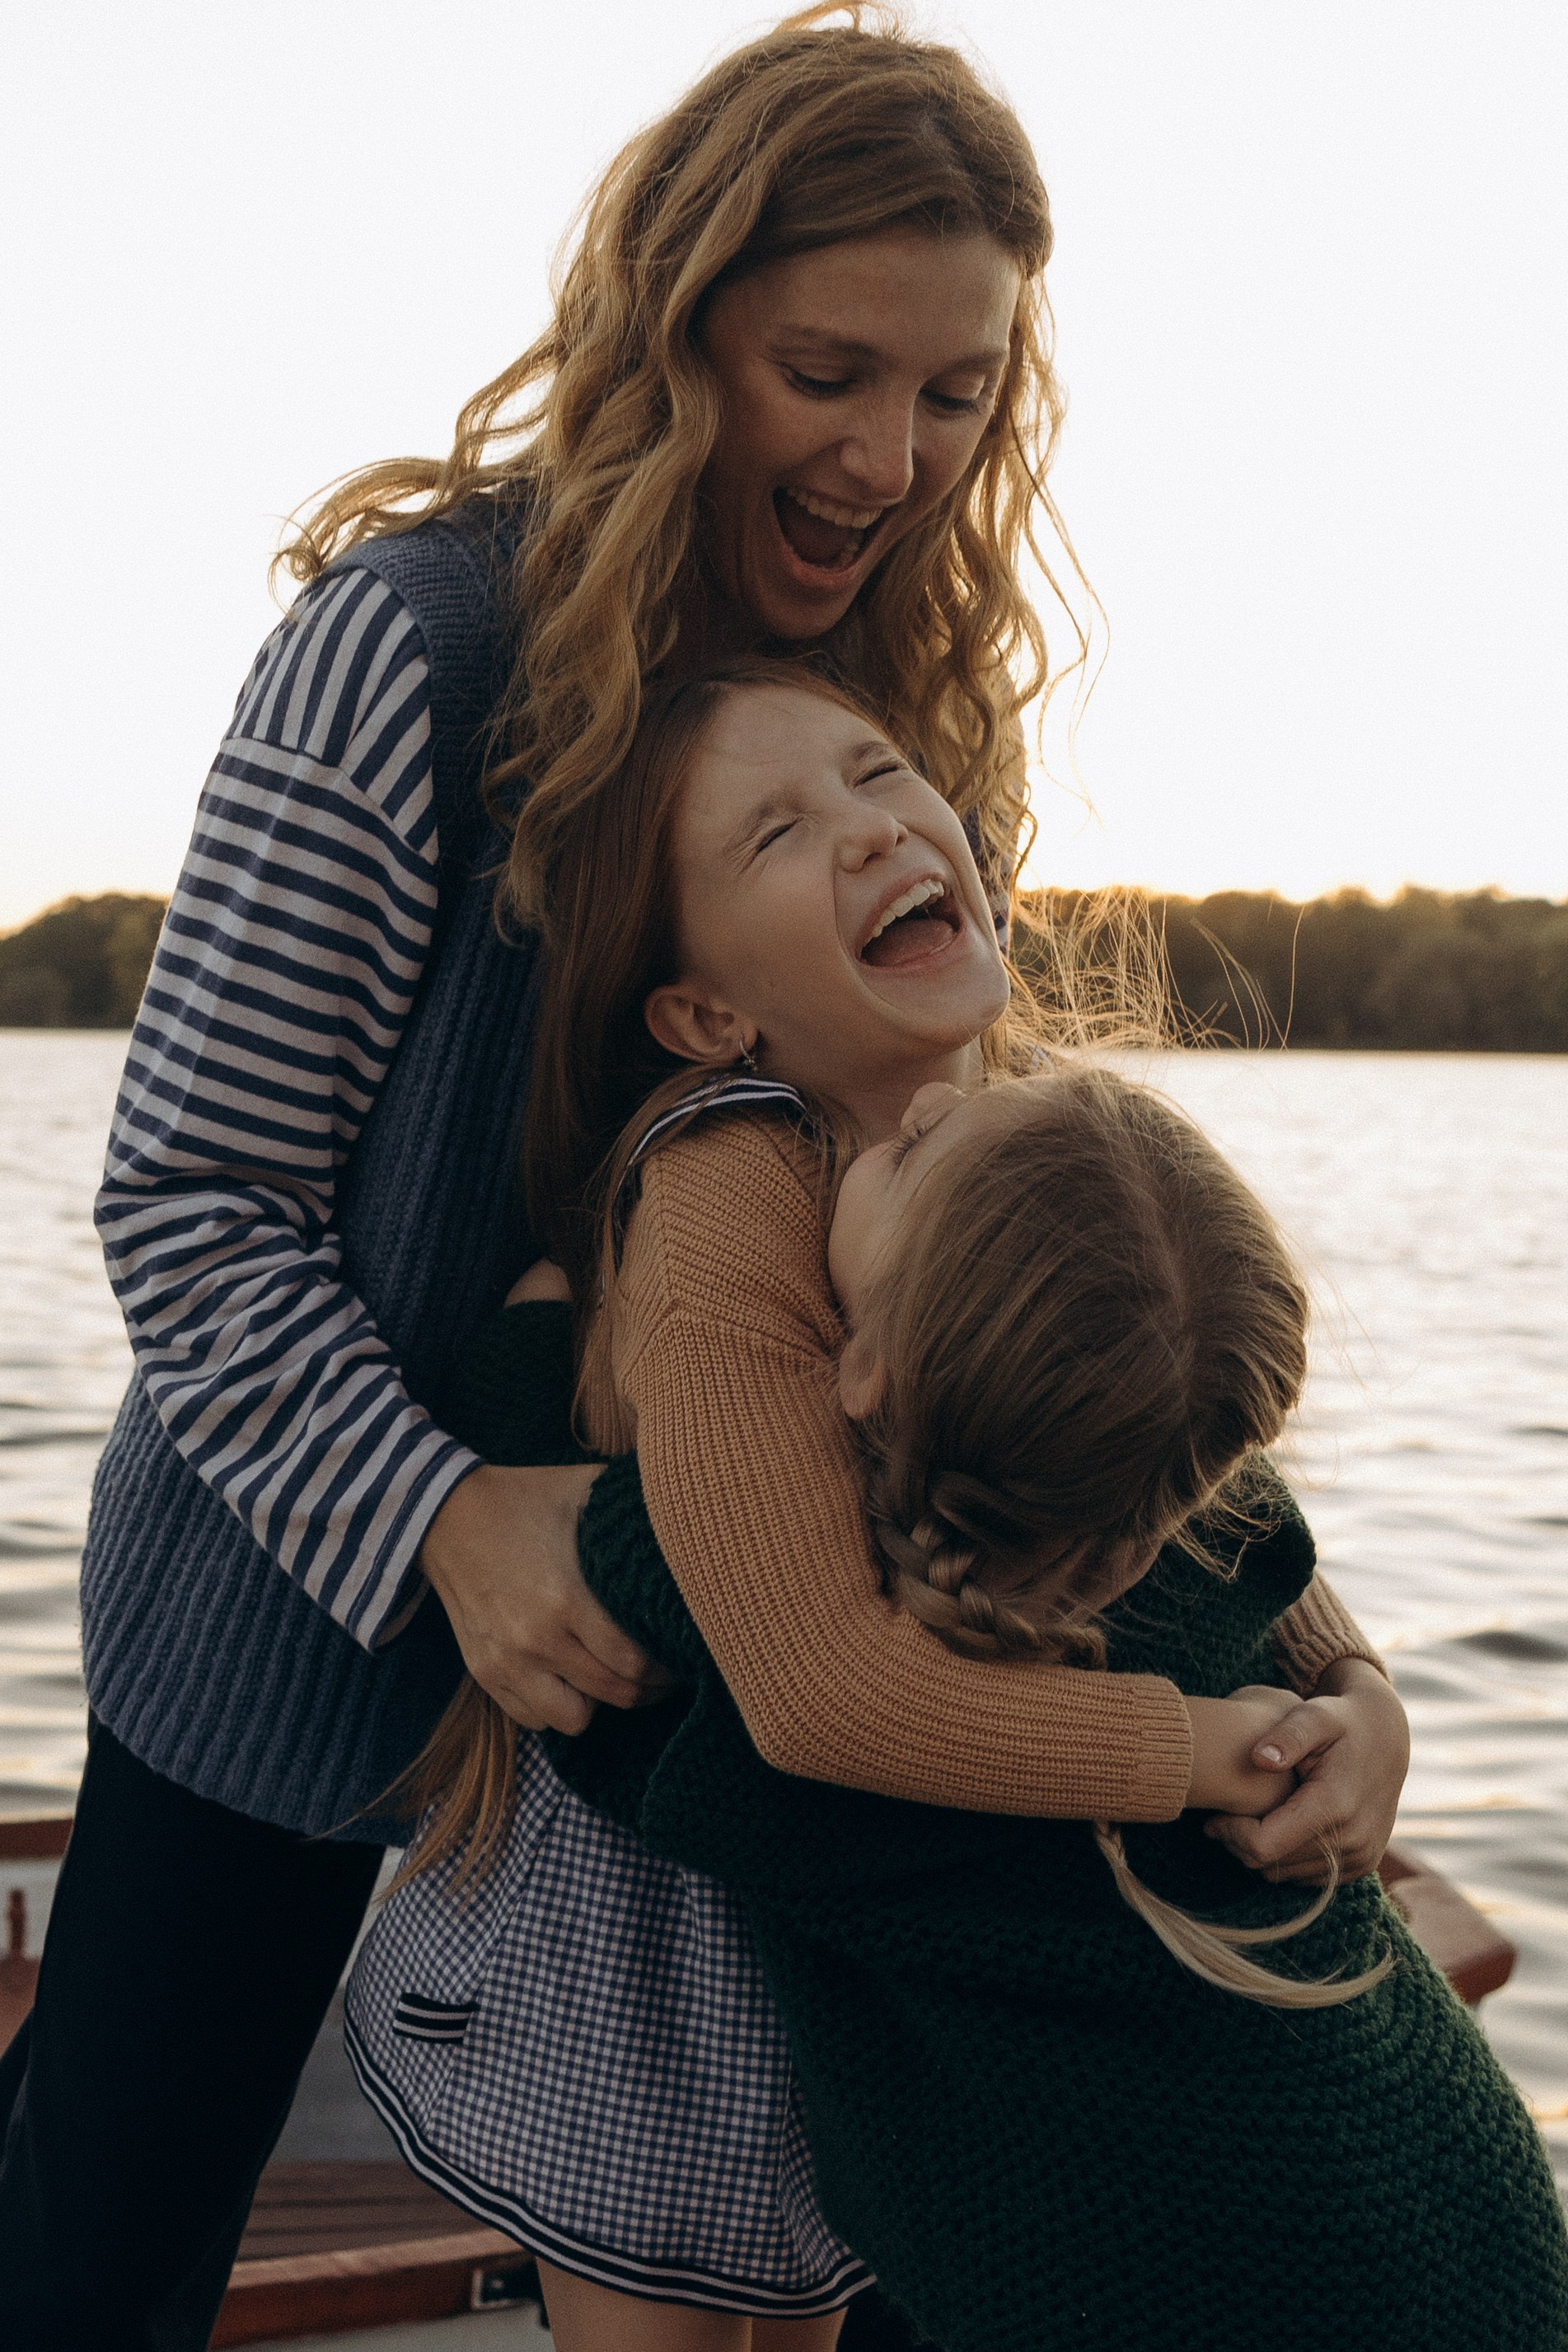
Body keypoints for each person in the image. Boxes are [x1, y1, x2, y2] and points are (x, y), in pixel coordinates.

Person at [0, 13, 1388, 2346]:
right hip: (284, 1621)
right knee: (96, 2245)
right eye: (831, 371)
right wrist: (452, 1510)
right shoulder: (402, 654)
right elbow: (189, 1203)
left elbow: (980, 1209)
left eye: (957, 394)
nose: (891, 457)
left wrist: (1318, 1657)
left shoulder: (906, 711)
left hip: (708, 1679)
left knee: (754, 2254)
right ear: (680, 324)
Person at [353, 668, 1566, 2352]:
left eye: (879, 771)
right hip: (1393, 2196)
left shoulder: (1041, 1142)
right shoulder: (740, 1187)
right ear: (702, 1009)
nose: (873, 823)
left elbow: (1218, 1494)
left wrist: (1361, 1698)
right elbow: (786, 1676)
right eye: (784, 826)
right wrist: (1216, 1740)